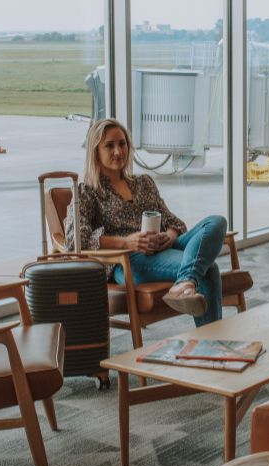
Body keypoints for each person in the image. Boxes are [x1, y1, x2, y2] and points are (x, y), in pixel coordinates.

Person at [65, 118, 227, 326]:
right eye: (109, 146)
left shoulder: (143, 183)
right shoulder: (87, 191)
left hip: (162, 248)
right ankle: (210, 345)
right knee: (208, 269)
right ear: (95, 151)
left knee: (217, 222)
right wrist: (127, 242)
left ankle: (185, 281)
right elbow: (75, 240)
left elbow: (173, 221)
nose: (118, 151)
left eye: (122, 144)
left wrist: (169, 236)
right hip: (128, 261)